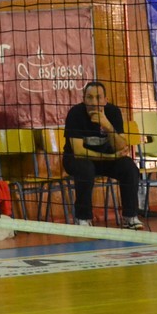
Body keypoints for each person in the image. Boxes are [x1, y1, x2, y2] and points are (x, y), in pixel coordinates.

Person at [62, 81, 143, 230]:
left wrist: (108, 126)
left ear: (105, 100)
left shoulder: (113, 112)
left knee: (129, 167)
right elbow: (79, 151)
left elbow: (121, 147)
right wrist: (111, 157)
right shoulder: (75, 114)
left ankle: (130, 217)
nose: (94, 102)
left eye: (98, 97)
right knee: (86, 169)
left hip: (105, 159)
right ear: (83, 99)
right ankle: (83, 218)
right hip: (77, 159)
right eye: (89, 97)